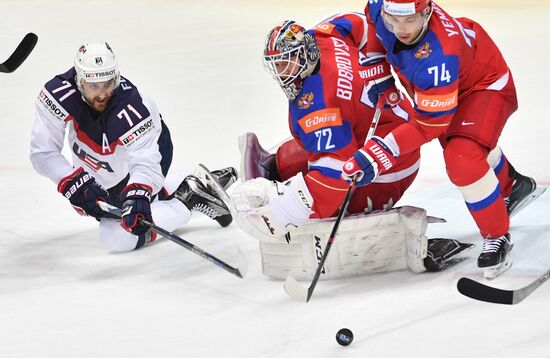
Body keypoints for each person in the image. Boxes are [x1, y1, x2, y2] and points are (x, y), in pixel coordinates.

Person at [342, 0, 540, 278]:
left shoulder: (440, 56)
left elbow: (428, 124)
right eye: (393, 20)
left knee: (462, 158)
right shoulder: (382, 8)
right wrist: (377, 68)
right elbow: (364, 22)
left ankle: (497, 235)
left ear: (427, 12)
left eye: (409, 20)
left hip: (483, 85)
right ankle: (512, 185)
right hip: (460, 71)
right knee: (463, 141)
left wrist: (379, 153)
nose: (400, 29)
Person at [30, 42, 236, 252]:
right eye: (93, 86)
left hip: (153, 153)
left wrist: (138, 195)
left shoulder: (134, 107)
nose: (101, 95)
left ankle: (187, 200)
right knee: (100, 198)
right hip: (104, 162)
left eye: (107, 84)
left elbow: (146, 165)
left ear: (116, 77)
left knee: (118, 238)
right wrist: (73, 182)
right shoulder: (58, 93)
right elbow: (42, 152)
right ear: (79, 81)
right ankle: (191, 184)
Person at [233, 13, 421, 239]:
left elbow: (336, 180)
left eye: (286, 62)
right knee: (313, 143)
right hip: (389, 128)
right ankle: (275, 166)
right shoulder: (323, 37)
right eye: (277, 64)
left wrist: (283, 213)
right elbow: (361, 23)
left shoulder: (321, 106)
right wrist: (376, 63)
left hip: (389, 170)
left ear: (304, 55)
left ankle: (286, 184)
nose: (281, 72)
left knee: (327, 195)